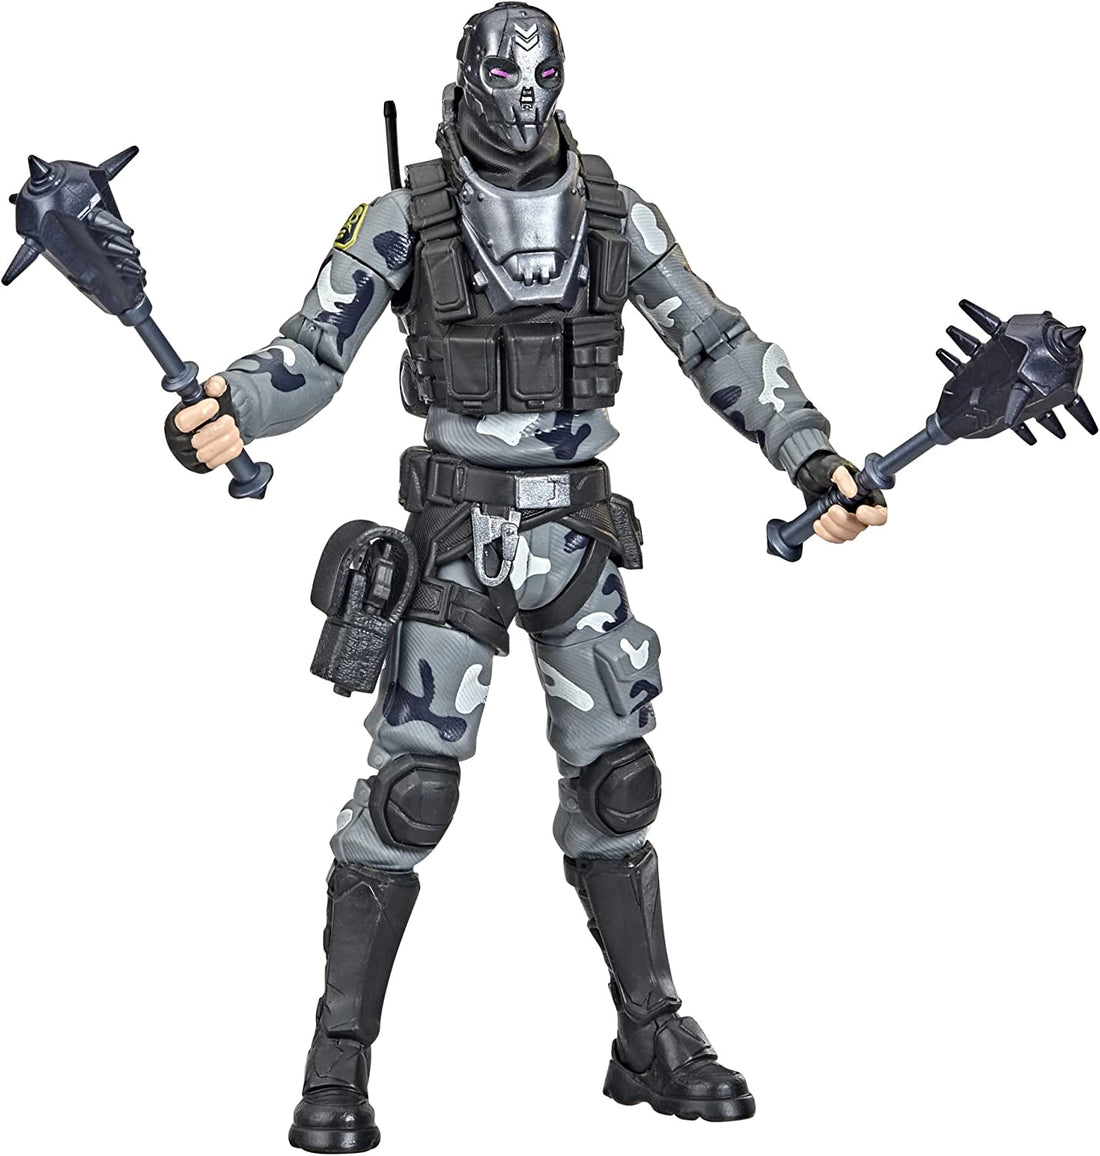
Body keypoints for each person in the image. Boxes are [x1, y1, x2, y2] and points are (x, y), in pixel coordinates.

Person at [166, 6, 888, 1151]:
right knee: (409, 794)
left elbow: (715, 340)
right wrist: (231, 407)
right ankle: (336, 1055)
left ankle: (648, 1033)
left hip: (577, 538)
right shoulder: (404, 216)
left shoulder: (614, 211)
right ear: (465, 79)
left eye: (532, 79)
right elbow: (310, 351)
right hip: (455, 539)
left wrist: (809, 453)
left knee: (617, 786)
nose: (515, 101)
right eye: (497, 79)